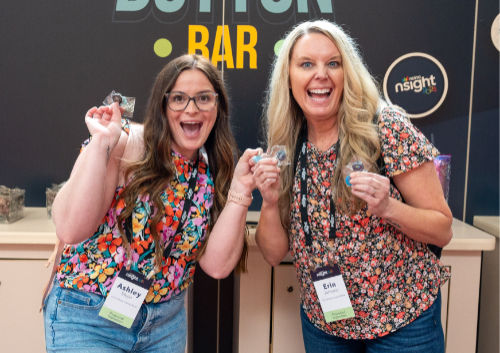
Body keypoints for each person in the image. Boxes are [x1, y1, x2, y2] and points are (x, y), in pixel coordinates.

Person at [253, 20, 453, 353]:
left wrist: (388, 207)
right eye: (306, 64)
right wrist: (271, 202)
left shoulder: (385, 128)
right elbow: (273, 254)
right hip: (325, 325)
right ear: (288, 78)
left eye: (334, 63)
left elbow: (442, 229)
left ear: (349, 73)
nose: (321, 74)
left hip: (402, 324)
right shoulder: (287, 142)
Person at [43, 54, 257, 353]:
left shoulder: (211, 168)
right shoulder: (125, 142)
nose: (191, 109)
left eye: (204, 98)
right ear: (162, 105)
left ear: (218, 106)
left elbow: (217, 266)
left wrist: (241, 188)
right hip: (89, 317)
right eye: (179, 98)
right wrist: (102, 143)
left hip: (163, 326)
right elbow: (70, 229)